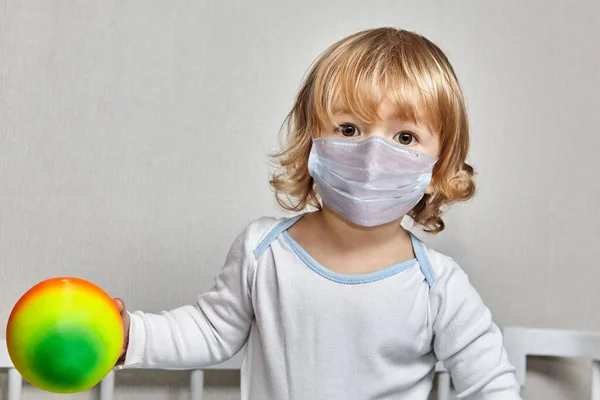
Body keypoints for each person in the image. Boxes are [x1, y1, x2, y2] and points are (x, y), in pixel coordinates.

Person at [113, 27, 522, 399]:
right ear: (311, 142)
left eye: (404, 136)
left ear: (437, 170)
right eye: (348, 129)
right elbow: (211, 329)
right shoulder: (263, 251)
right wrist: (132, 335)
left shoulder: (439, 287)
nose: (371, 155)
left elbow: (492, 386)